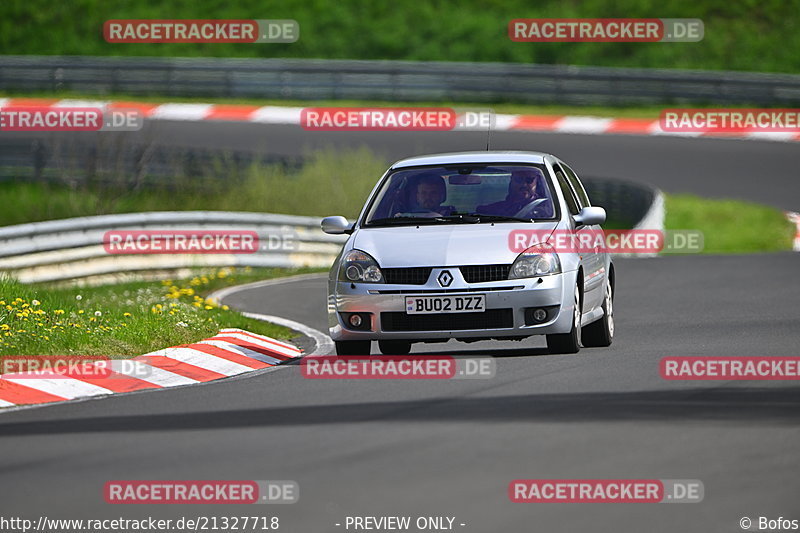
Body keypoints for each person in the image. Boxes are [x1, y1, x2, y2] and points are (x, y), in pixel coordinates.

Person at [476, 168, 553, 217]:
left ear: (537, 182)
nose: (524, 184)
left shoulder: (549, 211)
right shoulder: (492, 211)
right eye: (518, 179)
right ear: (511, 181)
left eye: (529, 180)